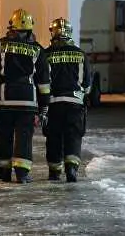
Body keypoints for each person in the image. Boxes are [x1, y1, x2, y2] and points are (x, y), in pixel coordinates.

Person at [0, 9, 50, 184]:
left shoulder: (0, 45)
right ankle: (22, 173)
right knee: (24, 137)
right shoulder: (37, 50)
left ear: (11, 27)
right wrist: (44, 107)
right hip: (27, 101)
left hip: (4, 100)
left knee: (3, 136)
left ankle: (4, 171)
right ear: (30, 29)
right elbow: (43, 83)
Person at [43, 18, 91, 183]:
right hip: (75, 104)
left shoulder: (46, 54)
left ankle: (55, 171)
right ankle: (71, 168)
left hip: (54, 104)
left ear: (53, 33)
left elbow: (42, 81)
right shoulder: (81, 54)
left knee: (54, 137)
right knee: (73, 136)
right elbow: (87, 84)